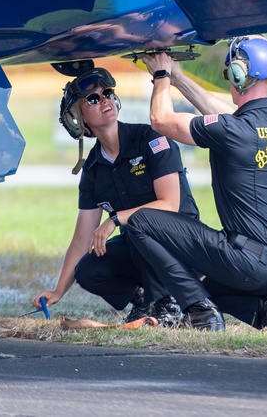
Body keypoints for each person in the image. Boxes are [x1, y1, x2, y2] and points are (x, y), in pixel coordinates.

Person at [127, 37, 267, 333]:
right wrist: (179, 77)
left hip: (249, 263)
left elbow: (161, 120)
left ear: (239, 76)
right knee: (206, 288)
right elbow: (228, 118)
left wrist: (161, 75)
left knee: (140, 221)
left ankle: (201, 313)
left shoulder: (233, 130)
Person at [32, 66, 200, 325]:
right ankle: (144, 301)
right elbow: (82, 239)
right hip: (142, 249)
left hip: (184, 247)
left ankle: (170, 303)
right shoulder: (93, 168)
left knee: (136, 228)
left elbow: (169, 204)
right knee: (88, 269)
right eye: (93, 99)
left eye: (108, 93)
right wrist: (58, 291)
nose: (105, 100)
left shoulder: (150, 139)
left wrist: (114, 219)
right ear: (79, 117)